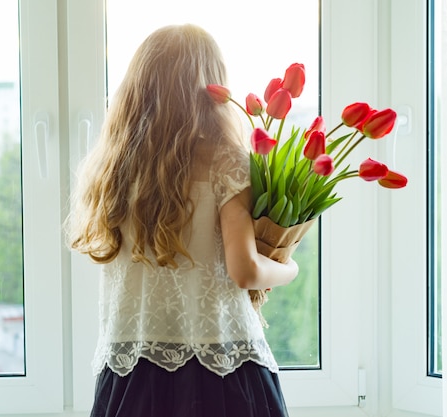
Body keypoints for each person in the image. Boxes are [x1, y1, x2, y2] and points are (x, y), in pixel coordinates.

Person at [66, 24, 299, 417]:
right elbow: (244, 271)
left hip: (131, 371)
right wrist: (287, 267)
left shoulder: (115, 167)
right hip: (221, 367)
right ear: (212, 88)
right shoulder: (226, 160)